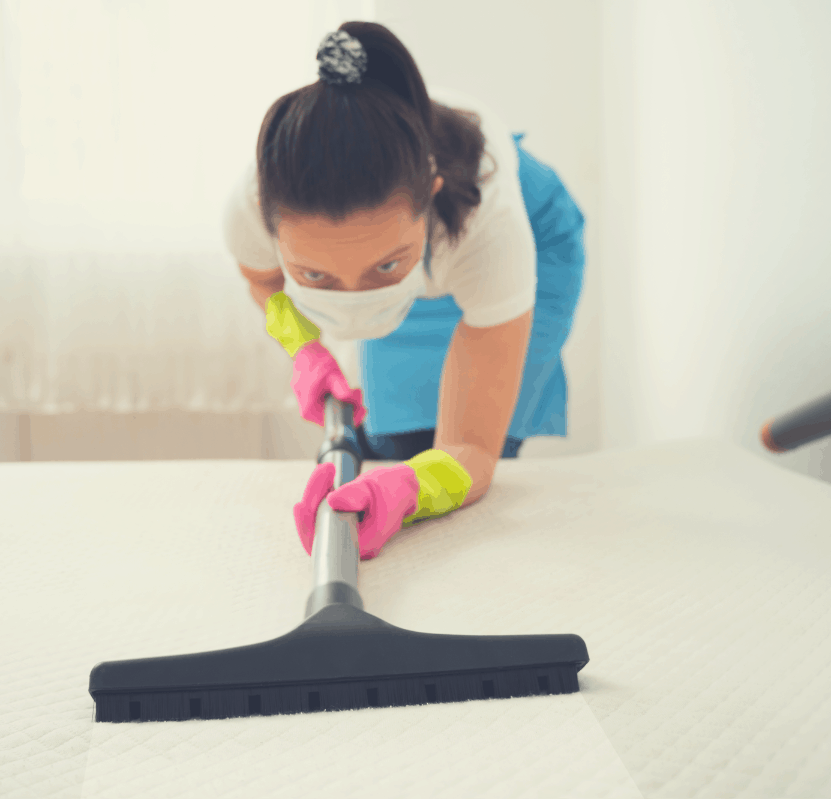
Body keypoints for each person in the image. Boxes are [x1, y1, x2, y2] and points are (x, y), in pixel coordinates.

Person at [223, 22, 584, 561]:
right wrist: (306, 350)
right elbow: (263, 279)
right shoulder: (252, 203)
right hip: (419, 244)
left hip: (526, 237)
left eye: (383, 268)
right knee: (392, 429)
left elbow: (472, 446)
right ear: (269, 222)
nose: (354, 300)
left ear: (428, 203)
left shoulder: (490, 228)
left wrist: (410, 491)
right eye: (317, 274)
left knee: (479, 436)